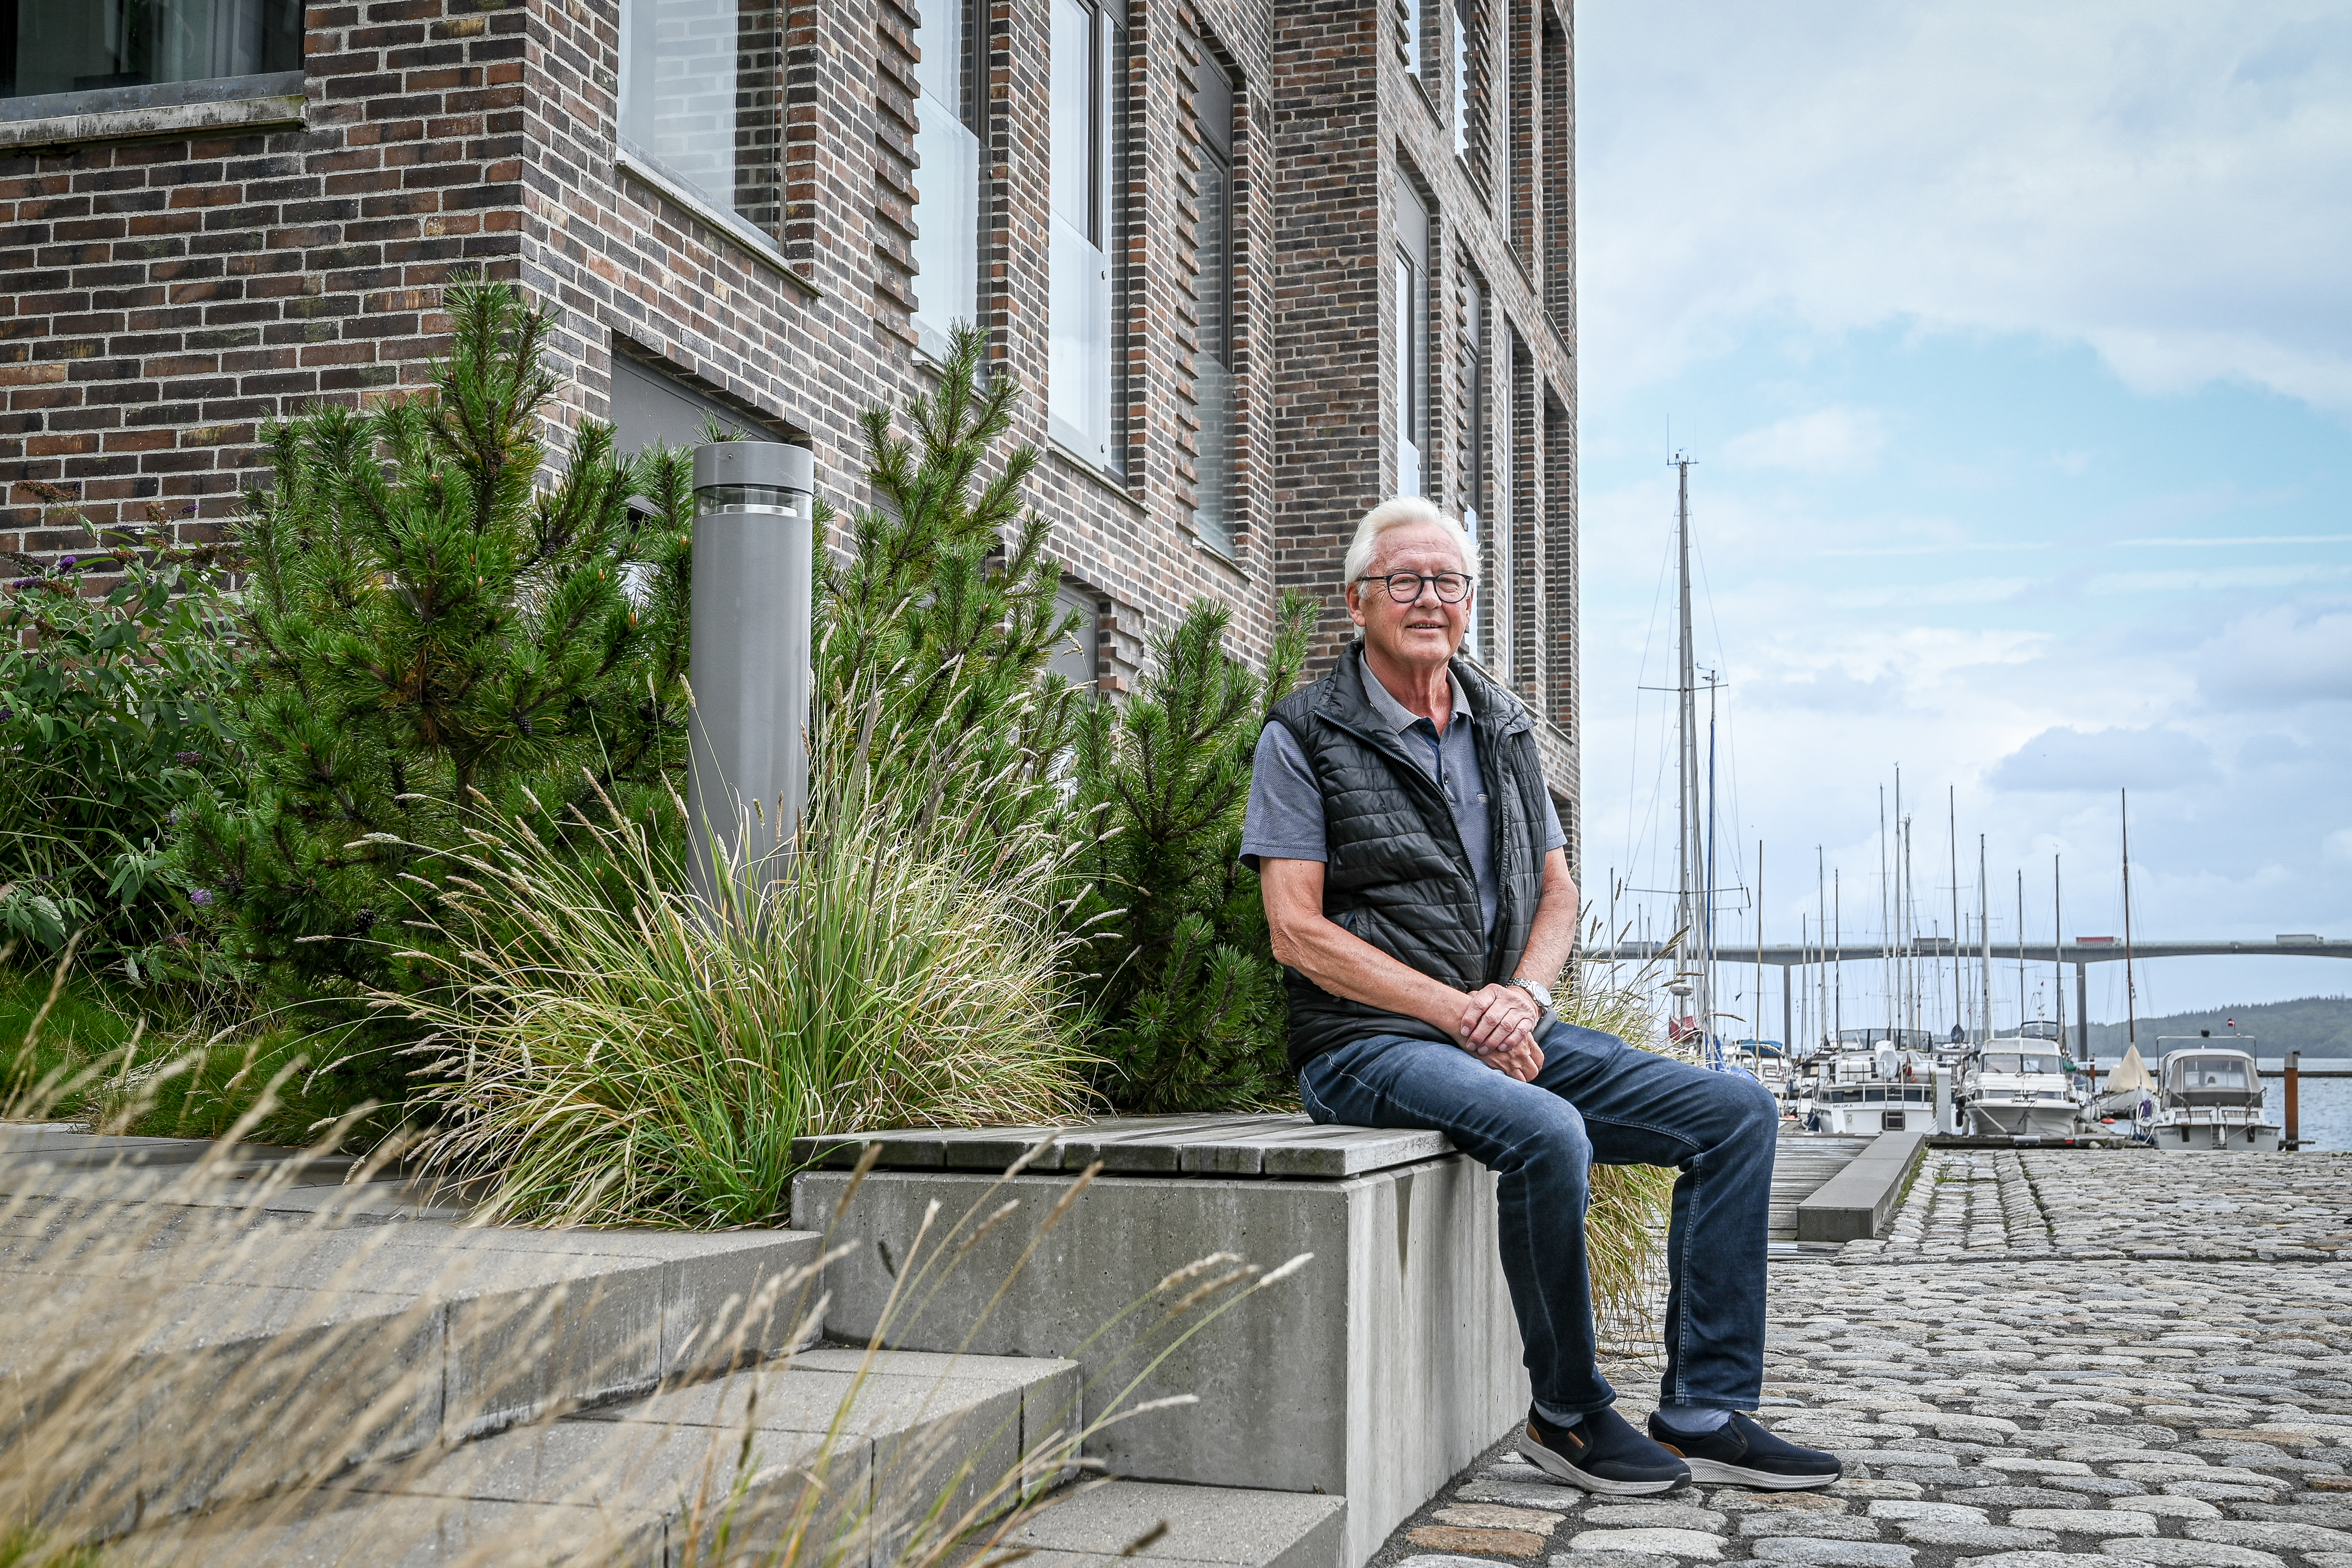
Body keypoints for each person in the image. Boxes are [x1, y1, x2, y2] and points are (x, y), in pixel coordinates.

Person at [1242, 497, 1840, 1497]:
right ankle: (1566, 1414)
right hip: (1363, 1044)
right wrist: (1459, 1013)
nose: (1428, 599)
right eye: (1403, 580)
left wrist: (1521, 997)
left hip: (1498, 1025)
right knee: (1548, 1130)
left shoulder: (1503, 724)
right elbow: (1296, 932)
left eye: (1447, 582)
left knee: (1736, 1111)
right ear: (1357, 601)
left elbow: (1558, 892)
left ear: (1470, 603)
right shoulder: (1303, 733)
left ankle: (1705, 1408)